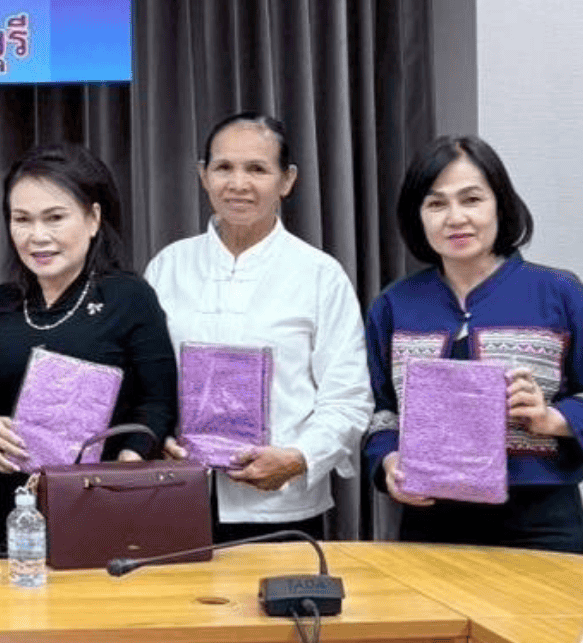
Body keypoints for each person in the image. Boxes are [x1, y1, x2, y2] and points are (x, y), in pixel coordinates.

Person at [145, 113, 371, 542]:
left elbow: (348, 396)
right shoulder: (167, 267)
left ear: (286, 181)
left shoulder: (320, 274)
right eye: (224, 168)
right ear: (203, 175)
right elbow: (145, 382)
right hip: (176, 497)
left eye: (257, 169)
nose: (238, 183)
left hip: (282, 507)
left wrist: (298, 457)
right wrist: (157, 440)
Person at [363, 135, 583, 553]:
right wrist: (389, 464)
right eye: (436, 204)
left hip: (542, 521)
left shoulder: (559, 292)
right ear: (418, 217)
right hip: (430, 520)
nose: (455, 217)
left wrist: (551, 418)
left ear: (500, 204)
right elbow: (381, 412)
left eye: (471, 199)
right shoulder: (395, 304)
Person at [0, 143, 177, 526]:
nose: (37, 236)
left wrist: (128, 465)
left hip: (113, 503)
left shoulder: (129, 296)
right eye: (22, 220)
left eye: (55, 218)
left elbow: (159, 402)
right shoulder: (2, 302)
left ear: (93, 219)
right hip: (22, 508)